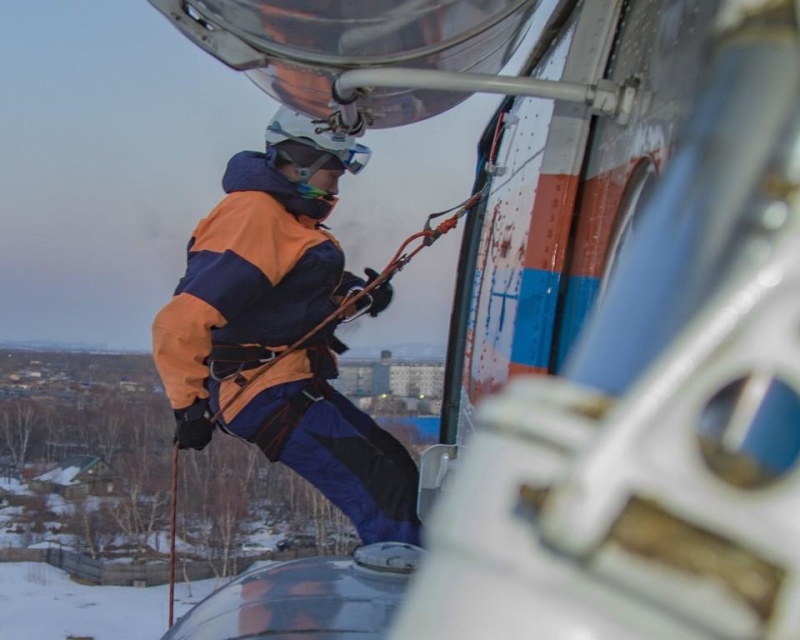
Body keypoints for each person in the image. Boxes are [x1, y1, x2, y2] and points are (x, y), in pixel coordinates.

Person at [152, 106, 422, 546]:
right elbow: (177, 325)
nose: (337, 188)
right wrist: (189, 409)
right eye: (332, 176)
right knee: (384, 494)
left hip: (289, 380)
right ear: (298, 164)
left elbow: (288, 297)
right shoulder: (255, 216)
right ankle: (405, 584)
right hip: (260, 390)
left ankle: (419, 567)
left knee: (396, 469)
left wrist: (360, 296)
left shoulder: (286, 215)